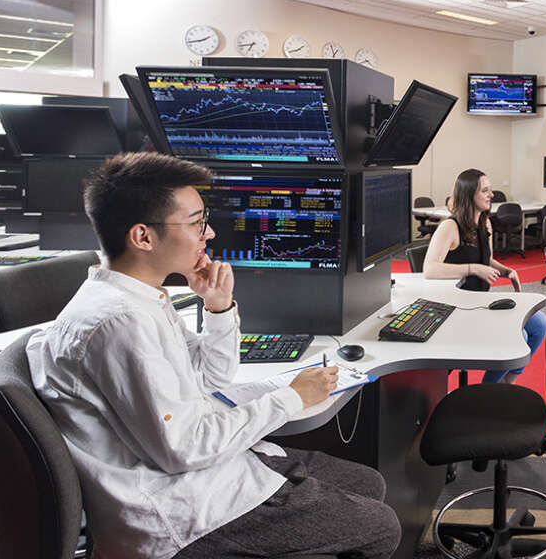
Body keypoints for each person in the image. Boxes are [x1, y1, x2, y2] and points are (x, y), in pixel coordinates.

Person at [26, 153, 400, 559]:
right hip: (181, 511)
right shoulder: (121, 323)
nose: (210, 234)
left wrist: (218, 308)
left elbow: (209, 381)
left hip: (207, 472)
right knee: (381, 528)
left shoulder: (140, 298)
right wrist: (293, 396)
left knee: (368, 485)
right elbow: (184, 450)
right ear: (143, 237)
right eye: (196, 222)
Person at [423, 168, 546, 384]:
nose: (491, 194)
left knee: (540, 324)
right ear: (469, 195)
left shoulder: (484, 223)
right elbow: (430, 269)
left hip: (480, 300)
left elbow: (486, 259)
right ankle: (487, 390)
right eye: (485, 191)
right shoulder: (450, 227)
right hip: (459, 306)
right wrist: (472, 269)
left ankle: (506, 383)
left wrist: (506, 271)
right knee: (521, 337)